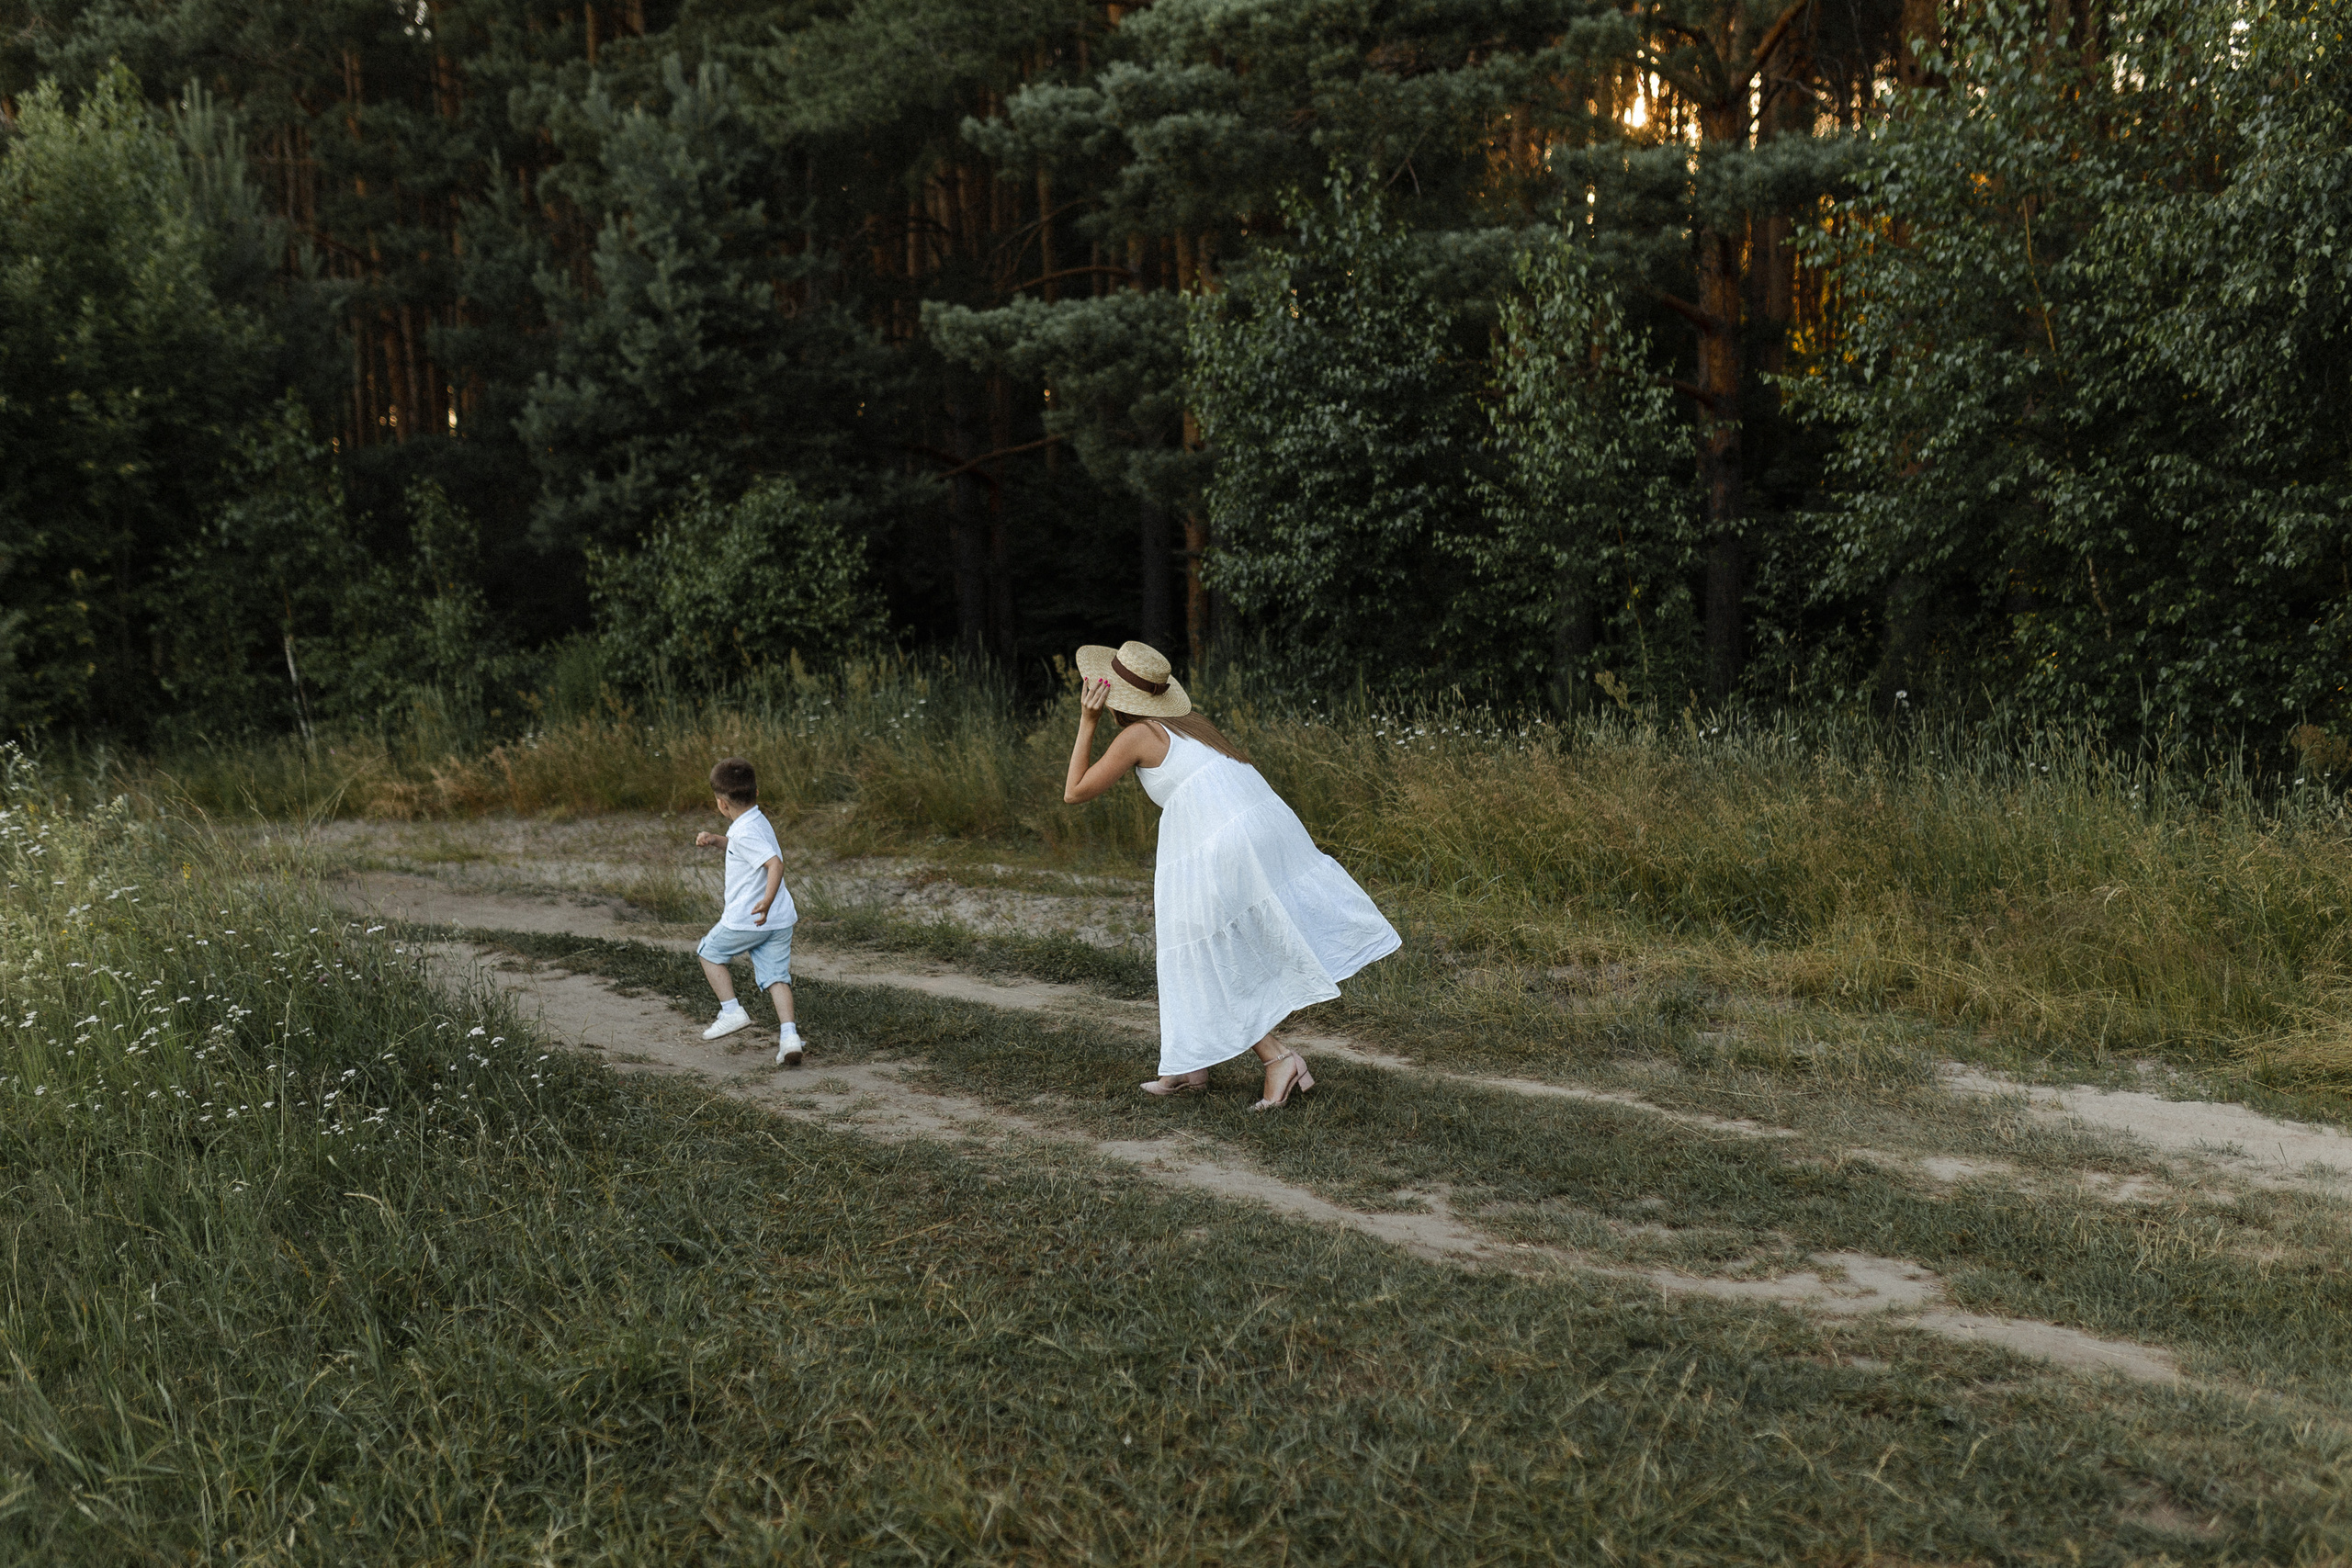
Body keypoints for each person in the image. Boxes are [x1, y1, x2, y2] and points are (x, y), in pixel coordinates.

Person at [1062, 640, 1399, 1109]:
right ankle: (1187, 1065)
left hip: (1219, 842)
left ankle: (1278, 1058)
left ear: (1113, 695)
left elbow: (1074, 792)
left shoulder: (1137, 735)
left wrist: (1088, 720)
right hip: (1258, 826)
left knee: (1210, 951)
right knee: (1200, 943)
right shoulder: (1194, 727)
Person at [692, 756, 805, 1066]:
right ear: (756, 793)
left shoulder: (744, 832)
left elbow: (774, 864)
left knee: (708, 953)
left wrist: (765, 902)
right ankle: (790, 1037)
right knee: (776, 977)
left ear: (721, 805)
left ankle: (732, 1011)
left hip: (751, 918)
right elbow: (747, 847)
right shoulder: (756, 821)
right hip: (779, 921)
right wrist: (717, 841)